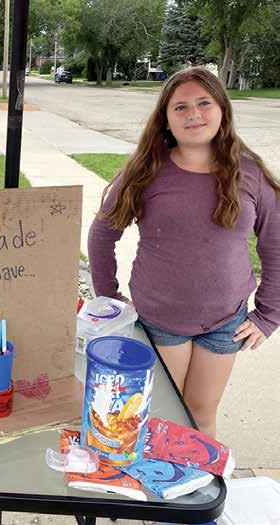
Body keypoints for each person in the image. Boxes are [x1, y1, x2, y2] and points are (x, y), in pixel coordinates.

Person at [88, 66, 280, 438]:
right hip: (160, 320)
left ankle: (196, 474)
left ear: (222, 110)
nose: (194, 114)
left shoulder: (250, 173)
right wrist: (109, 297)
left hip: (226, 321)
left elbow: (275, 244)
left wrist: (269, 315)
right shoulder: (145, 171)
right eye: (181, 107)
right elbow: (102, 234)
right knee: (161, 415)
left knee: (201, 415)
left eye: (204, 103)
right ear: (166, 119)